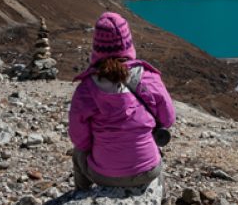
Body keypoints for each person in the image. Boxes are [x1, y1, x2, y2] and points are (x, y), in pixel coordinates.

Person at [69, 12, 175, 191]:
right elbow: (168, 120)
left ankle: (82, 194)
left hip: (103, 175)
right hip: (148, 171)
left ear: (97, 47)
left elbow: (80, 139)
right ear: (127, 44)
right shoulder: (149, 79)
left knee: (78, 154)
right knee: (153, 150)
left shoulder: (86, 89)